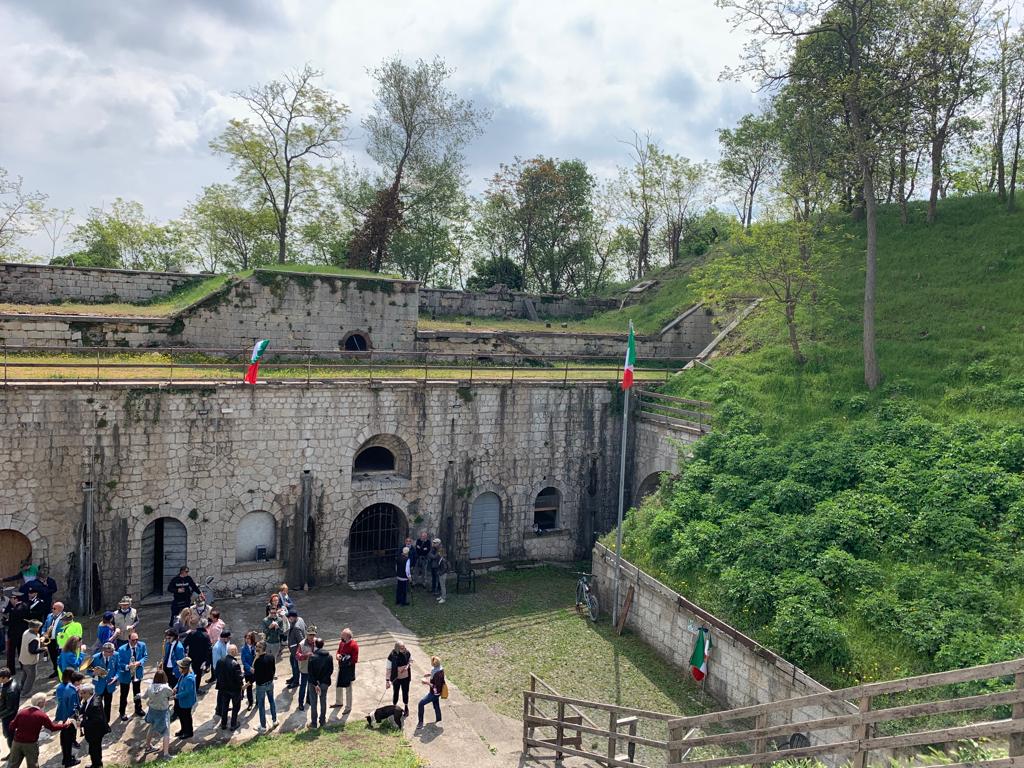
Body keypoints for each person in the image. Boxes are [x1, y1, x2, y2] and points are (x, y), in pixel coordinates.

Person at [7, 691, 71, 768]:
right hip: (30, 744)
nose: (45, 703)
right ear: (40, 703)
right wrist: (65, 725)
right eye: (44, 701)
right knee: (33, 765)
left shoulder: (22, 712)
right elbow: (52, 728)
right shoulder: (42, 715)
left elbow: (11, 726)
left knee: (12, 765)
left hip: (17, 742)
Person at [115, 632, 146, 721]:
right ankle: (122, 712)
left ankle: (138, 708)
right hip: (126, 674)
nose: (135, 642)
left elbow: (145, 656)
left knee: (137, 692)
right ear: (128, 640)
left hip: (137, 673)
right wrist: (127, 666)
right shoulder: (121, 649)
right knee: (124, 694)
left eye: (137, 639)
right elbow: (119, 662)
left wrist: (139, 662)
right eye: (133, 640)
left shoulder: (142, 645)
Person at [142, 670, 173, 758]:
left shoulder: (150, 686)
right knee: (166, 732)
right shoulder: (165, 688)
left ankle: (148, 746)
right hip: (163, 712)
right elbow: (171, 696)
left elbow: (144, 696)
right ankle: (166, 754)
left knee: (151, 727)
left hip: (152, 710)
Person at [55, 669, 82, 768]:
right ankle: (68, 760)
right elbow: (74, 706)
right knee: (68, 740)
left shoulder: (66, 687)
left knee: (66, 738)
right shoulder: (70, 690)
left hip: (65, 716)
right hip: (69, 717)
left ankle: (67, 758)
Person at [85, 644, 118, 726]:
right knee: (97, 705)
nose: (111, 653)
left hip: (110, 685)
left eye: (112, 651)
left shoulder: (116, 655)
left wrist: (116, 677)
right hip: (98, 686)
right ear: (104, 651)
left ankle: (106, 722)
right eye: (109, 652)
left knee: (108, 704)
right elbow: (88, 671)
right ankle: (98, 721)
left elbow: (119, 668)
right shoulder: (95, 657)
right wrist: (94, 673)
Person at [78, 683, 108, 768]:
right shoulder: (92, 697)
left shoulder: (95, 705)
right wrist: (81, 713)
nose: (81, 695)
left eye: (83, 693)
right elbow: (85, 705)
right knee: (93, 749)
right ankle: (96, 764)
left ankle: (97, 765)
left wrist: (82, 723)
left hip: (96, 732)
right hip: (93, 731)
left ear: (89, 693)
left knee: (95, 750)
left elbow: (96, 720)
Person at [214, 644, 243, 731]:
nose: (237, 652)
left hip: (223, 689)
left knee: (225, 706)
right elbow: (239, 678)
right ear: (233, 652)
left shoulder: (220, 661)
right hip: (234, 690)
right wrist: (243, 675)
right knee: (236, 707)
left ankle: (223, 724)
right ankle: (233, 724)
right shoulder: (235, 664)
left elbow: (216, 674)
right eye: (236, 650)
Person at [306, 637, 332, 728]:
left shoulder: (312, 657)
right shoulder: (329, 657)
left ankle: (314, 723)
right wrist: (322, 681)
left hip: (313, 684)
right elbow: (330, 671)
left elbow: (310, 673)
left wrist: (316, 684)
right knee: (323, 701)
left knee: (313, 703)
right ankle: (322, 721)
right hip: (324, 683)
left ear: (315, 645)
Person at [252, 642, 277, 732]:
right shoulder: (271, 656)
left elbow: (254, 673)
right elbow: (273, 669)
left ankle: (263, 726)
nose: (256, 648)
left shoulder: (257, 661)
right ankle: (274, 721)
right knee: (272, 701)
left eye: (258, 647)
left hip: (261, 685)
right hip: (270, 683)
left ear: (262, 648)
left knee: (261, 705)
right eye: (256, 646)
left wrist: (255, 659)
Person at [416, 656, 445, 730]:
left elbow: (435, 687)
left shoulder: (437, 674)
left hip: (434, 693)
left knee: (421, 704)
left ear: (434, 664)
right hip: (439, 692)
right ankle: (439, 719)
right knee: (436, 705)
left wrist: (426, 682)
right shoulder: (440, 669)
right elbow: (434, 673)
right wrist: (429, 674)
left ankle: (420, 722)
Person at [333, 628, 358, 712]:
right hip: (341, 668)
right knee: (338, 686)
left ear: (347, 636)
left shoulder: (354, 645)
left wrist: (346, 660)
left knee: (348, 689)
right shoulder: (342, 643)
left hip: (348, 670)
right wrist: (338, 656)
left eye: (342, 635)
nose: (341, 636)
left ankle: (348, 707)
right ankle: (339, 702)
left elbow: (354, 659)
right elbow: (338, 651)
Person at [385, 641, 412, 716]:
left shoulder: (407, 652)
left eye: (404, 647)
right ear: (397, 648)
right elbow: (388, 669)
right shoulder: (392, 656)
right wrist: (387, 681)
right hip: (396, 678)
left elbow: (410, 661)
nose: (404, 649)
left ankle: (406, 707)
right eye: (401, 648)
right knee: (395, 692)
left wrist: (407, 666)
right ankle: (394, 707)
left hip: (405, 678)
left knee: (405, 692)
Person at [16, 622, 43, 696]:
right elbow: (32, 651)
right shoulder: (34, 639)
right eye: (38, 627)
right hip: (30, 661)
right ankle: (25, 693)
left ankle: (21, 689)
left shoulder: (26, 632)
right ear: (35, 628)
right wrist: (43, 649)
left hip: (23, 659)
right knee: (31, 678)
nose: (39, 628)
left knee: (25, 675)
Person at [41, 602, 66, 680]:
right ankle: (56, 670)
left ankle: (62, 671)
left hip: (60, 641)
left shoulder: (65, 617)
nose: (52, 609)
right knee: (53, 656)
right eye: (52, 608)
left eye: (54, 608)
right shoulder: (49, 616)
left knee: (61, 656)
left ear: (60, 609)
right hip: (50, 640)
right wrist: (44, 633)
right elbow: (44, 626)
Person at [172, 657, 196, 739]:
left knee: (186, 717)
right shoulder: (183, 674)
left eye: (180, 667)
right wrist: (176, 687)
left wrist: (177, 696)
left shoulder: (189, 678)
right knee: (181, 716)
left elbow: (187, 692)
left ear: (184, 668)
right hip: (181, 701)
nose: (178, 668)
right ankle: (183, 729)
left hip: (186, 702)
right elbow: (179, 682)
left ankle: (188, 732)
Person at [182, 625, 211, 689]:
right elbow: (209, 649)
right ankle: (196, 688)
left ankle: (189, 686)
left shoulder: (191, 633)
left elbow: (184, 643)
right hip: (201, 659)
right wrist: (207, 660)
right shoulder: (206, 635)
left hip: (191, 656)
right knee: (198, 674)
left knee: (191, 672)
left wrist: (185, 653)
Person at [293, 628, 315, 712]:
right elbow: (297, 656)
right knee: (303, 686)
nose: (312, 636)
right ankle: (300, 703)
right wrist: (305, 656)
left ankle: (308, 699)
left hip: (313, 669)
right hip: (305, 669)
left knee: (311, 685)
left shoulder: (316, 642)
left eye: (313, 635)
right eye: (310, 635)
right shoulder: (302, 644)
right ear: (307, 635)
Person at [4, 595, 28, 673]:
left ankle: (11, 669)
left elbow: (12, 621)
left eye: (11, 599)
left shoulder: (15, 610)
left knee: (11, 652)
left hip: (14, 633)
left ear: (15, 599)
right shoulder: (25, 606)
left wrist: (5, 621)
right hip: (22, 632)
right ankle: (23, 666)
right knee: (21, 650)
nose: (10, 601)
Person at [284, 611, 306, 690]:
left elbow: (301, 641)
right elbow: (305, 627)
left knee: (296, 666)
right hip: (293, 651)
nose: (288, 619)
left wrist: (297, 651)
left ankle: (296, 682)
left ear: (294, 617)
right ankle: (294, 677)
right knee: (292, 663)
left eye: (289, 617)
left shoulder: (296, 628)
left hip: (296, 651)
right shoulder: (300, 619)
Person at [0, 667, 20, 753]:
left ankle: (13, 754)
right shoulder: (10, 683)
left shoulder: (10, 691)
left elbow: (11, 709)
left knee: (10, 736)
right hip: (7, 714)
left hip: (9, 717)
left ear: (4, 678)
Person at [240, 632, 257, 711]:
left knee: (258, 686)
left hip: (256, 670)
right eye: (246, 638)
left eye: (248, 639)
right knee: (249, 688)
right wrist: (250, 668)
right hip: (248, 671)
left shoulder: (255, 647)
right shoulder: (243, 649)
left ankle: (258, 701)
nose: (247, 640)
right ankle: (250, 703)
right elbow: (244, 661)